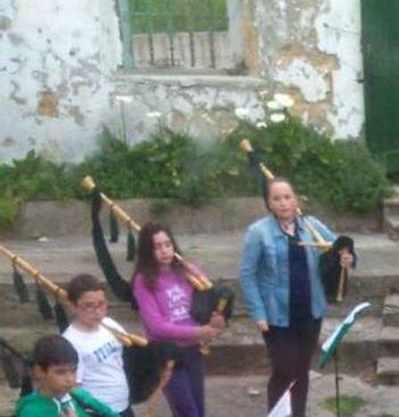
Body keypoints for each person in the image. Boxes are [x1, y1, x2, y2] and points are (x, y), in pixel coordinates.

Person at [239, 177, 354, 417]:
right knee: (284, 370)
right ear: (269, 203)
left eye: (287, 197)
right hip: (276, 316)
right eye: (276, 198)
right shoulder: (258, 232)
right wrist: (258, 313)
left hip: (310, 312)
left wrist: (346, 256)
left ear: (296, 199)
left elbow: (338, 247)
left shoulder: (310, 225)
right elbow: (247, 276)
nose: (283, 203)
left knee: (301, 371)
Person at [132, 223, 224, 417]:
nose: (164, 251)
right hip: (167, 354)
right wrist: (200, 331)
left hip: (193, 350)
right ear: (147, 251)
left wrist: (215, 317)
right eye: (157, 247)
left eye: (168, 244)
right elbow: (156, 327)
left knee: (198, 409)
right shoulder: (143, 281)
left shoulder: (186, 271)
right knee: (187, 412)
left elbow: (205, 306)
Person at [62, 274, 134, 417]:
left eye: (101, 304)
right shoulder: (71, 342)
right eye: (89, 306)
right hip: (98, 410)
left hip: (123, 404)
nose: (97, 311)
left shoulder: (110, 324)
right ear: (73, 306)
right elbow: (73, 386)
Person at [16, 334, 119, 417]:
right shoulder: (32, 411)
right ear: (40, 372)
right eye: (60, 372)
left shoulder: (79, 396)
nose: (70, 379)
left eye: (74, 370)